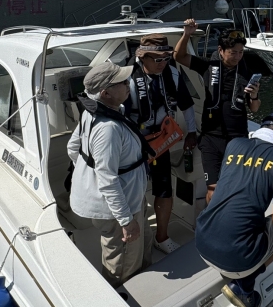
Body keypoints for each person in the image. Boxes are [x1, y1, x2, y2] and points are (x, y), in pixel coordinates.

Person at [195, 113, 273, 307]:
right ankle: (243, 286)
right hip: (235, 258)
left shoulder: (234, 145)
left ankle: (240, 272)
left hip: (201, 242)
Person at [67, 61, 155, 287]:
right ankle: (122, 294)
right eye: (123, 82)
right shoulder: (109, 128)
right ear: (105, 93)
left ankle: (141, 278)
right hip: (119, 209)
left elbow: (72, 147)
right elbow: (107, 180)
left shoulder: (92, 111)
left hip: (128, 198)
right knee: (122, 257)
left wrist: (89, 178)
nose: (129, 85)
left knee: (135, 251)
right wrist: (125, 220)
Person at [122, 34, 198, 255]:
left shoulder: (171, 73)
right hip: (134, 143)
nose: (163, 63)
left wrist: (191, 132)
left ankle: (161, 237)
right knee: (134, 191)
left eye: (166, 57)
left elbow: (186, 104)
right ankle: (133, 235)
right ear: (142, 57)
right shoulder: (127, 77)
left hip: (161, 142)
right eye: (157, 59)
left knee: (165, 189)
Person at [173, 20, 261, 204]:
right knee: (213, 191)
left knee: (237, 187)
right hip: (211, 139)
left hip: (238, 139)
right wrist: (187, 34)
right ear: (220, 50)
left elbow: (254, 108)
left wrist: (254, 96)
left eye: (240, 52)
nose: (237, 57)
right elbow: (179, 57)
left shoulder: (247, 73)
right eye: (232, 52)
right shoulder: (208, 66)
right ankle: (211, 226)